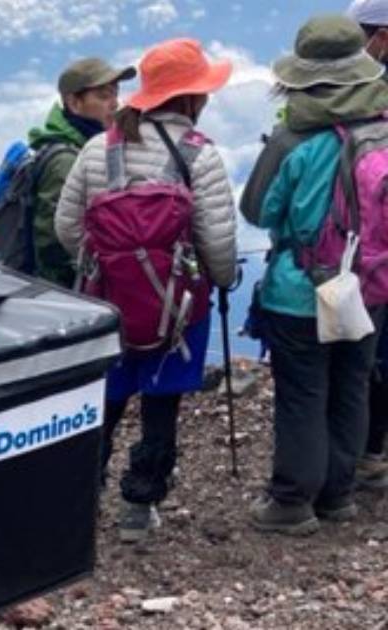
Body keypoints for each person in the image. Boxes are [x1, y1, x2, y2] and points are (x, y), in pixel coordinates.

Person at [54, 38, 237, 543]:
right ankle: (139, 505)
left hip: (107, 302)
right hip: (176, 310)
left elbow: (66, 225)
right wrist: (221, 279)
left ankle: (77, 500)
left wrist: (103, 264)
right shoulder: (199, 155)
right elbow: (217, 241)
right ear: (193, 98)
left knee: (103, 403)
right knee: (161, 405)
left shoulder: (98, 148)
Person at [240, 14, 388, 534]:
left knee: (303, 392)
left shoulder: (292, 138)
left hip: (301, 289)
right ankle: (338, 495)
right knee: (351, 383)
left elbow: (257, 211)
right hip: (369, 285)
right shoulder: (384, 126)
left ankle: (291, 503)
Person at [28, 58, 135, 287]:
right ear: (74, 103)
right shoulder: (66, 162)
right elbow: (53, 245)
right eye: (104, 96)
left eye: (115, 95)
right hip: (63, 301)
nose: (115, 104)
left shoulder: (87, 149)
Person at [347, 0, 388, 490]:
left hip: (364, 252)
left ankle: (366, 450)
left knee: (370, 353)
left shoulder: (358, 91)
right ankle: (370, 449)